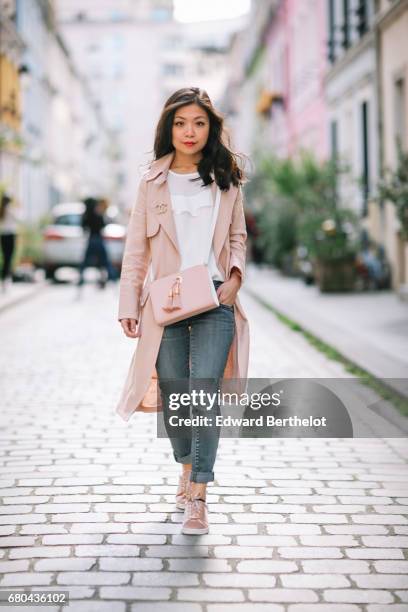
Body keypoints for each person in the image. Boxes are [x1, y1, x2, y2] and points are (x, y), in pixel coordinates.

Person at [117, 87, 250, 535]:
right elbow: (136, 251)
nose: (189, 132)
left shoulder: (225, 178)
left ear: (210, 127)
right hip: (166, 301)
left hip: (214, 299)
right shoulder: (152, 181)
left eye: (198, 122)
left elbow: (237, 237)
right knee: (176, 400)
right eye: (180, 123)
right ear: (168, 128)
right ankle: (186, 463)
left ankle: (198, 494)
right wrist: (129, 303)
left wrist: (233, 279)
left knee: (202, 393)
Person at [77, 197, 117, 289]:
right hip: (99, 239)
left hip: (91, 239)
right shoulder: (98, 213)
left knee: (85, 262)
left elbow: (83, 226)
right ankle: (113, 279)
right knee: (105, 261)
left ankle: (80, 279)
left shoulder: (87, 214)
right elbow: (103, 225)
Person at [0, 192, 22, 293]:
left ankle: (4, 280)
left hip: (3, 235)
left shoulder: (1, 210)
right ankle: (6, 281)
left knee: (5, 258)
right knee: (9, 258)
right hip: (10, 235)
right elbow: (18, 219)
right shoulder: (10, 210)